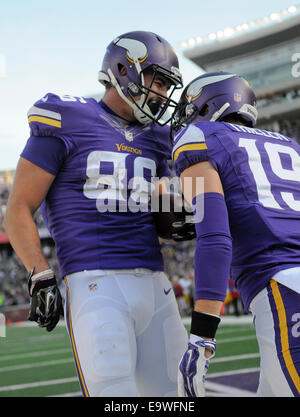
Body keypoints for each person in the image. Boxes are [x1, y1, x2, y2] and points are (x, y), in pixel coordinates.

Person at [4, 31, 189, 397]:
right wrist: (40, 273)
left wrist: (176, 218)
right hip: (95, 281)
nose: (162, 95)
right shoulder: (68, 116)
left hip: (156, 283)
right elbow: (18, 208)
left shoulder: (157, 137)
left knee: (175, 396)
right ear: (123, 69)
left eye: (168, 86)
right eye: (158, 81)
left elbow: (163, 224)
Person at [171, 71, 300, 397]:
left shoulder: (198, 136)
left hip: (285, 288)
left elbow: (214, 238)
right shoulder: (290, 146)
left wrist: (201, 338)